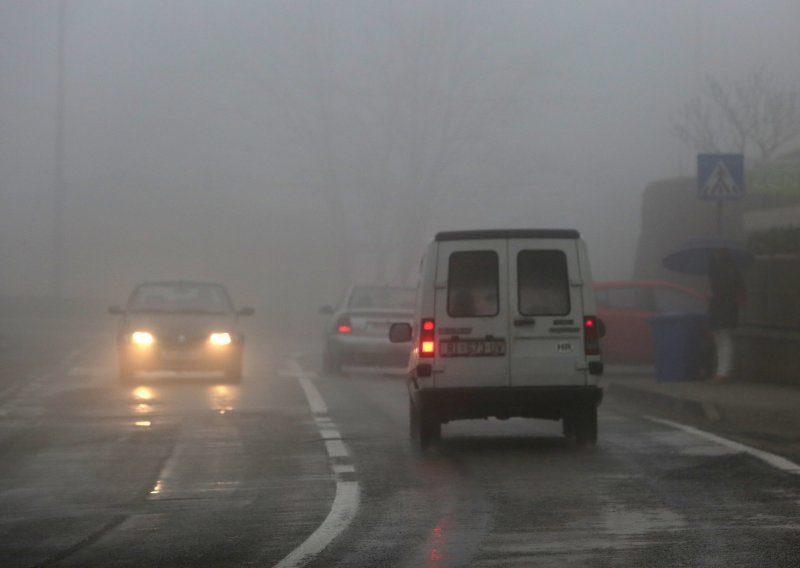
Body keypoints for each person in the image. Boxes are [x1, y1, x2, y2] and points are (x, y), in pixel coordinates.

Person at [706, 247, 746, 383]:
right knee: (720, 339)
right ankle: (721, 372)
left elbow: (725, 288)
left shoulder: (723, 268)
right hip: (723, 308)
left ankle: (723, 372)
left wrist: (713, 293)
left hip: (723, 308)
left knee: (723, 339)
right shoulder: (727, 267)